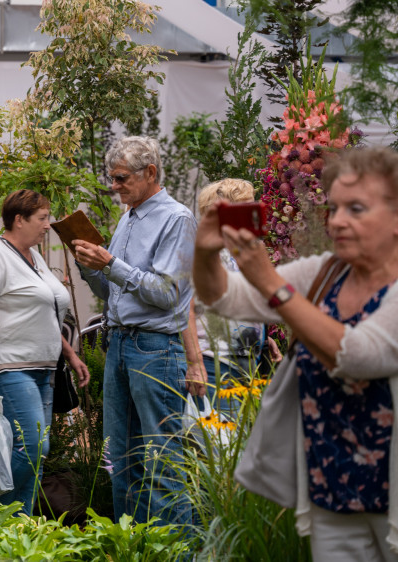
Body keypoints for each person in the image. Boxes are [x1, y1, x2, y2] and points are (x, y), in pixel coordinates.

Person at [193, 146, 398, 561]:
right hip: (331, 490)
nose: (337, 220)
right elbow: (223, 297)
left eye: (356, 208)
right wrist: (205, 251)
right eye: (335, 207)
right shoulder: (326, 273)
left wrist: (270, 281)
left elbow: (358, 354)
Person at [72, 135, 204, 528]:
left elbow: (168, 293)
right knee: (122, 458)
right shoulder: (129, 216)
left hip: (155, 349)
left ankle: (177, 552)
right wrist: (88, 265)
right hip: (119, 344)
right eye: (111, 178)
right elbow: (113, 291)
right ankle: (133, 544)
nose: (114, 187)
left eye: (121, 178)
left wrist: (110, 262)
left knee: (164, 458)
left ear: (150, 172)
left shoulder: (177, 219)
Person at [0, 189, 90, 515]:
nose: (48, 225)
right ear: (19, 220)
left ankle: (18, 528)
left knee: (36, 452)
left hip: (44, 368)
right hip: (10, 366)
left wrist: (70, 354)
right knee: (32, 447)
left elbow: (45, 312)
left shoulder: (33, 256)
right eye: (42, 218)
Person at [193, 179, 280, 415]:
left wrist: (263, 337)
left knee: (243, 441)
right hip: (216, 363)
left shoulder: (244, 250)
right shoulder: (205, 253)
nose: (254, 214)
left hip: (248, 362)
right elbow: (185, 310)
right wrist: (194, 362)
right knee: (224, 441)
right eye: (246, 208)